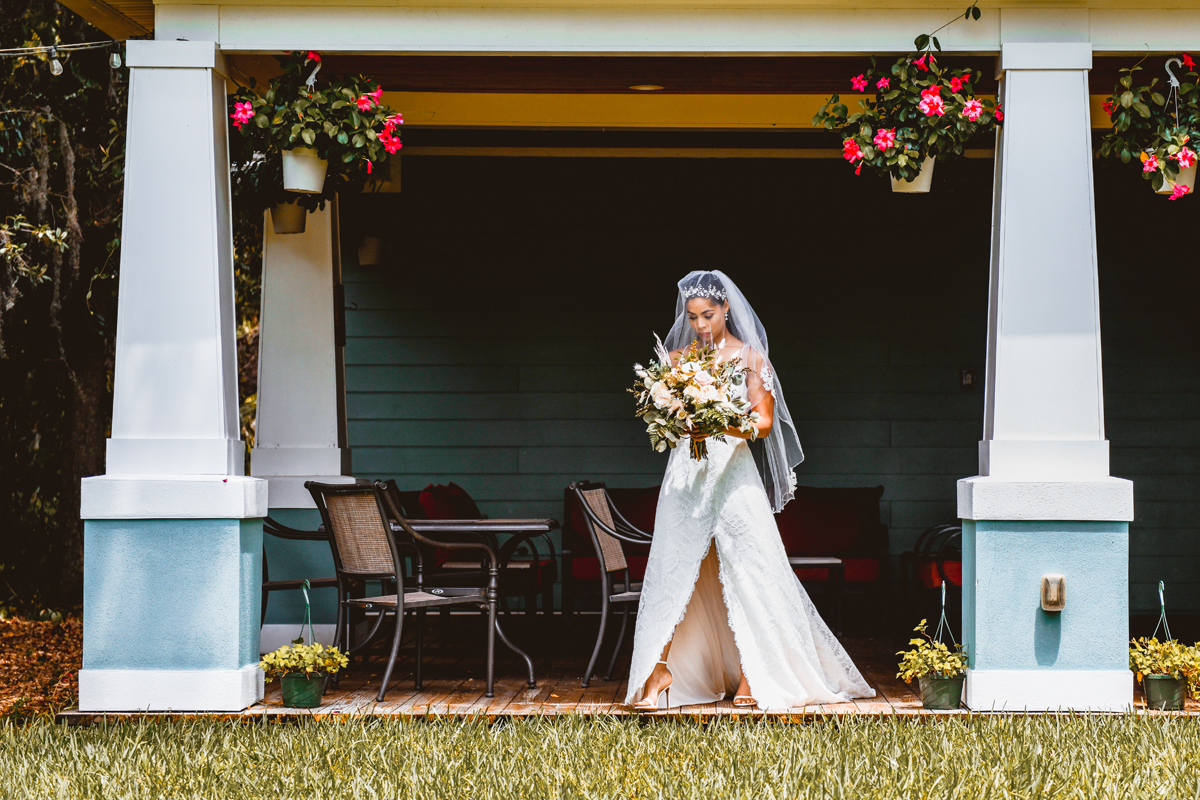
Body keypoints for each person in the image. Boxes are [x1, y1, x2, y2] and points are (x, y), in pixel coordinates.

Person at [627, 270, 875, 711]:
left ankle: (751, 674)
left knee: (750, 568)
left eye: (708, 314)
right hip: (687, 475)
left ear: (725, 309)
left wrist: (719, 420)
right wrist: (679, 416)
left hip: (734, 475)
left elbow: (762, 424)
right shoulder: (679, 359)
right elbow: (669, 414)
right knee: (673, 565)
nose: (701, 324)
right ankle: (658, 670)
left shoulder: (750, 358)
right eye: (693, 316)